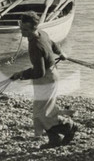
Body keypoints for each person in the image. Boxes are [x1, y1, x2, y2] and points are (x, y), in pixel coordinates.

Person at [9, 12, 77, 148]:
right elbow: (52, 43)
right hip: (50, 75)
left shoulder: (35, 45)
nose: (22, 32)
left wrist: (21, 74)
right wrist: (60, 53)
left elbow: (39, 72)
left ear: (34, 28)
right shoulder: (42, 33)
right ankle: (54, 139)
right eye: (21, 28)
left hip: (46, 79)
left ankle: (69, 127)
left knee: (42, 113)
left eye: (26, 30)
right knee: (43, 111)